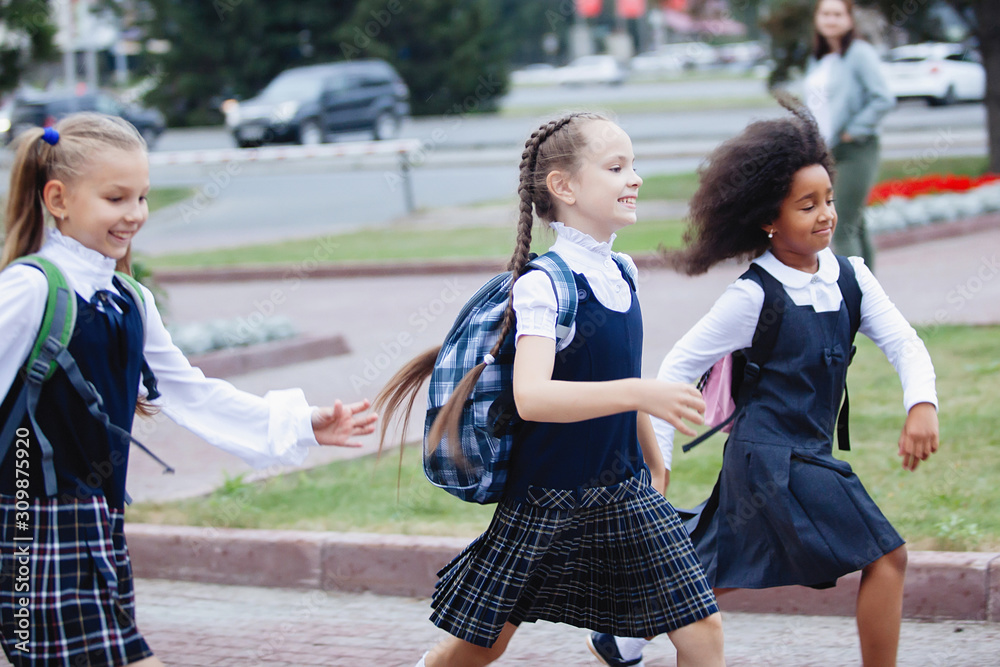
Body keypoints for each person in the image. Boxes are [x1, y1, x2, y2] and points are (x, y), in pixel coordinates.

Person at [0, 113, 378, 666]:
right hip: (33, 528)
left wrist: (302, 422)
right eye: (115, 198)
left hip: (98, 526)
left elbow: (188, 393)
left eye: (143, 198)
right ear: (57, 198)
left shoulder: (130, 299)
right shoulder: (30, 291)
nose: (134, 215)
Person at [589, 98, 939, 667]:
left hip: (793, 453)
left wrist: (921, 403)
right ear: (770, 220)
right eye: (807, 206)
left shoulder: (852, 277)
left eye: (827, 199)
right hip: (771, 457)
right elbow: (677, 367)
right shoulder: (753, 296)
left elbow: (904, 343)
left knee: (723, 566)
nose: (826, 214)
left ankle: (621, 636)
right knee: (888, 556)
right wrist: (661, 463)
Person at [375, 112, 725, 667]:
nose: (635, 177)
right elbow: (532, 397)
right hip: (546, 500)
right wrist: (640, 392)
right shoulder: (545, 285)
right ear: (563, 187)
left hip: (622, 493)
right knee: (479, 647)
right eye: (616, 167)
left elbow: (620, 379)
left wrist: (653, 463)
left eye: (634, 165)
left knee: (701, 628)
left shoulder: (623, 272)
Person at [804, 0, 895, 272]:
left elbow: (883, 98)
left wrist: (852, 132)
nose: (831, 19)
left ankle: (854, 298)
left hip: (855, 149)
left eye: (837, 14)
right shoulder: (818, 58)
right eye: (825, 14)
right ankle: (870, 298)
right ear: (817, 19)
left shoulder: (859, 53)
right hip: (826, 152)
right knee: (855, 222)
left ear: (849, 19)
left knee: (840, 225)